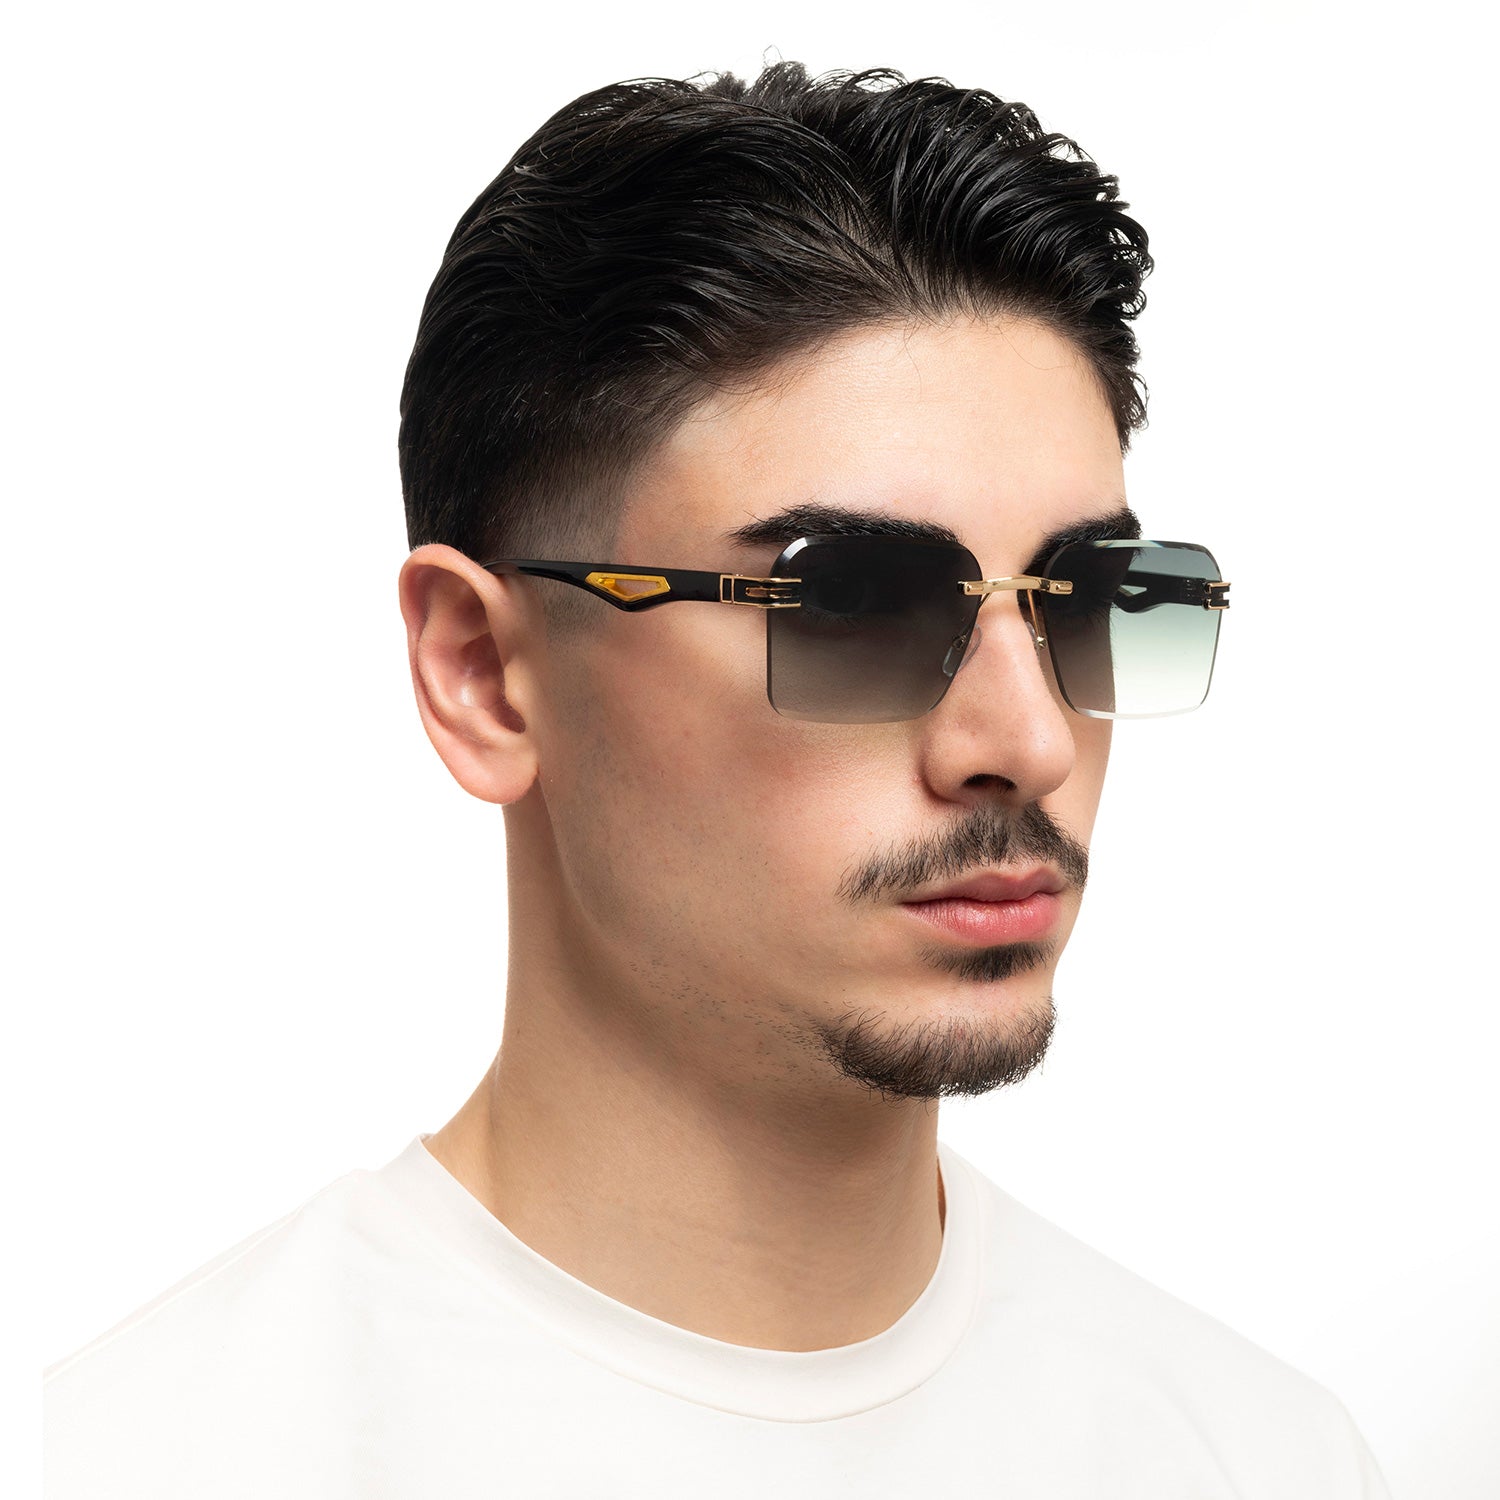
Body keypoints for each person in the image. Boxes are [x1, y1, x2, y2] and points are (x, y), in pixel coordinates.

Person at [44, 62, 1393, 1497]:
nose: (1029, 742)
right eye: (851, 605)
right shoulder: (144, 1459)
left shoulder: (1263, 1459)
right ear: (484, 674)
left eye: (1086, 600)